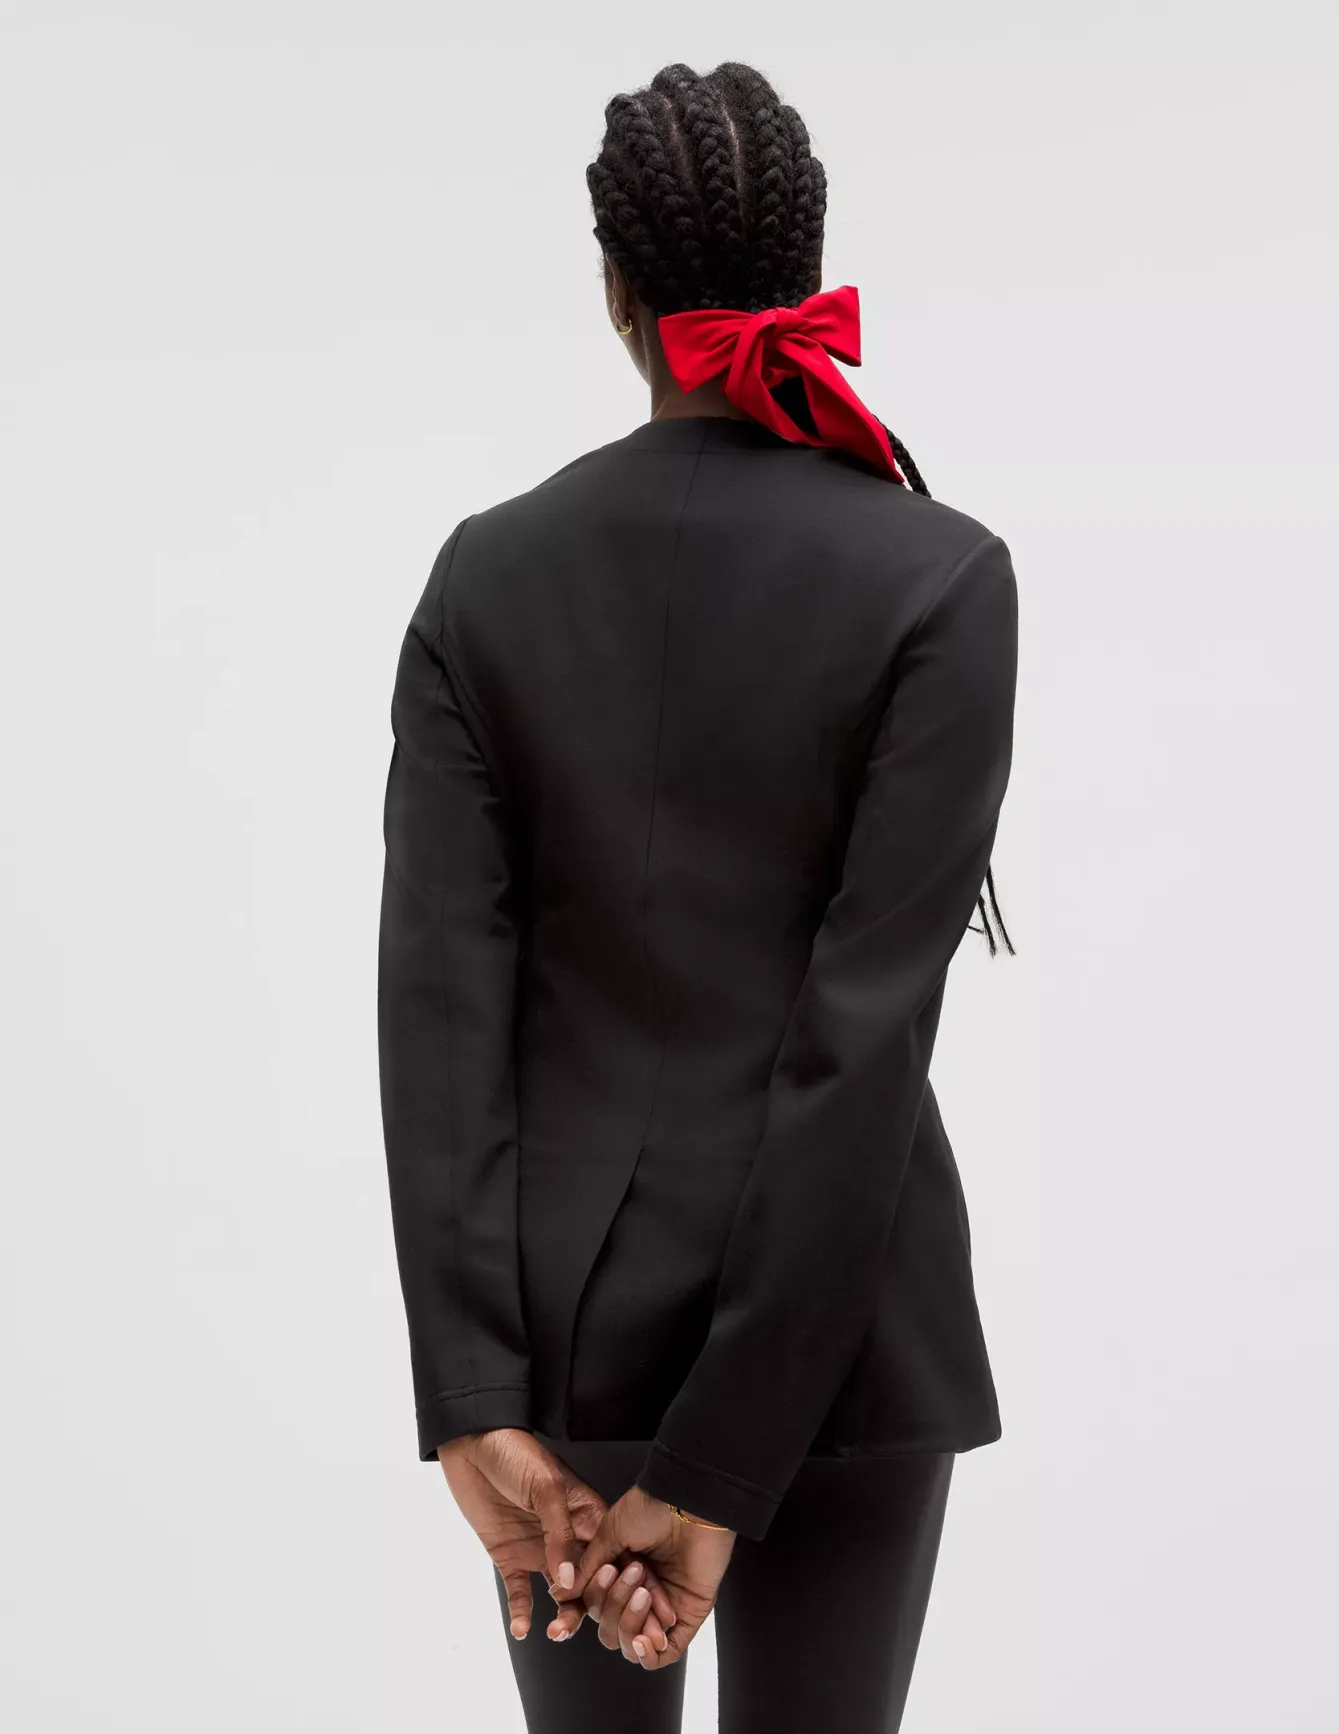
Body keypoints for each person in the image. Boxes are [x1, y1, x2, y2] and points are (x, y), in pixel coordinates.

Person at [377, 59, 1020, 1734]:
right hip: (853, 1338)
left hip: (567, 1351)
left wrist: (474, 1392)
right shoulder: (941, 572)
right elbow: (859, 1043)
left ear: (616, 289)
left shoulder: (482, 579)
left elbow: (441, 1020)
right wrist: (732, 1453)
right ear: (810, 276)